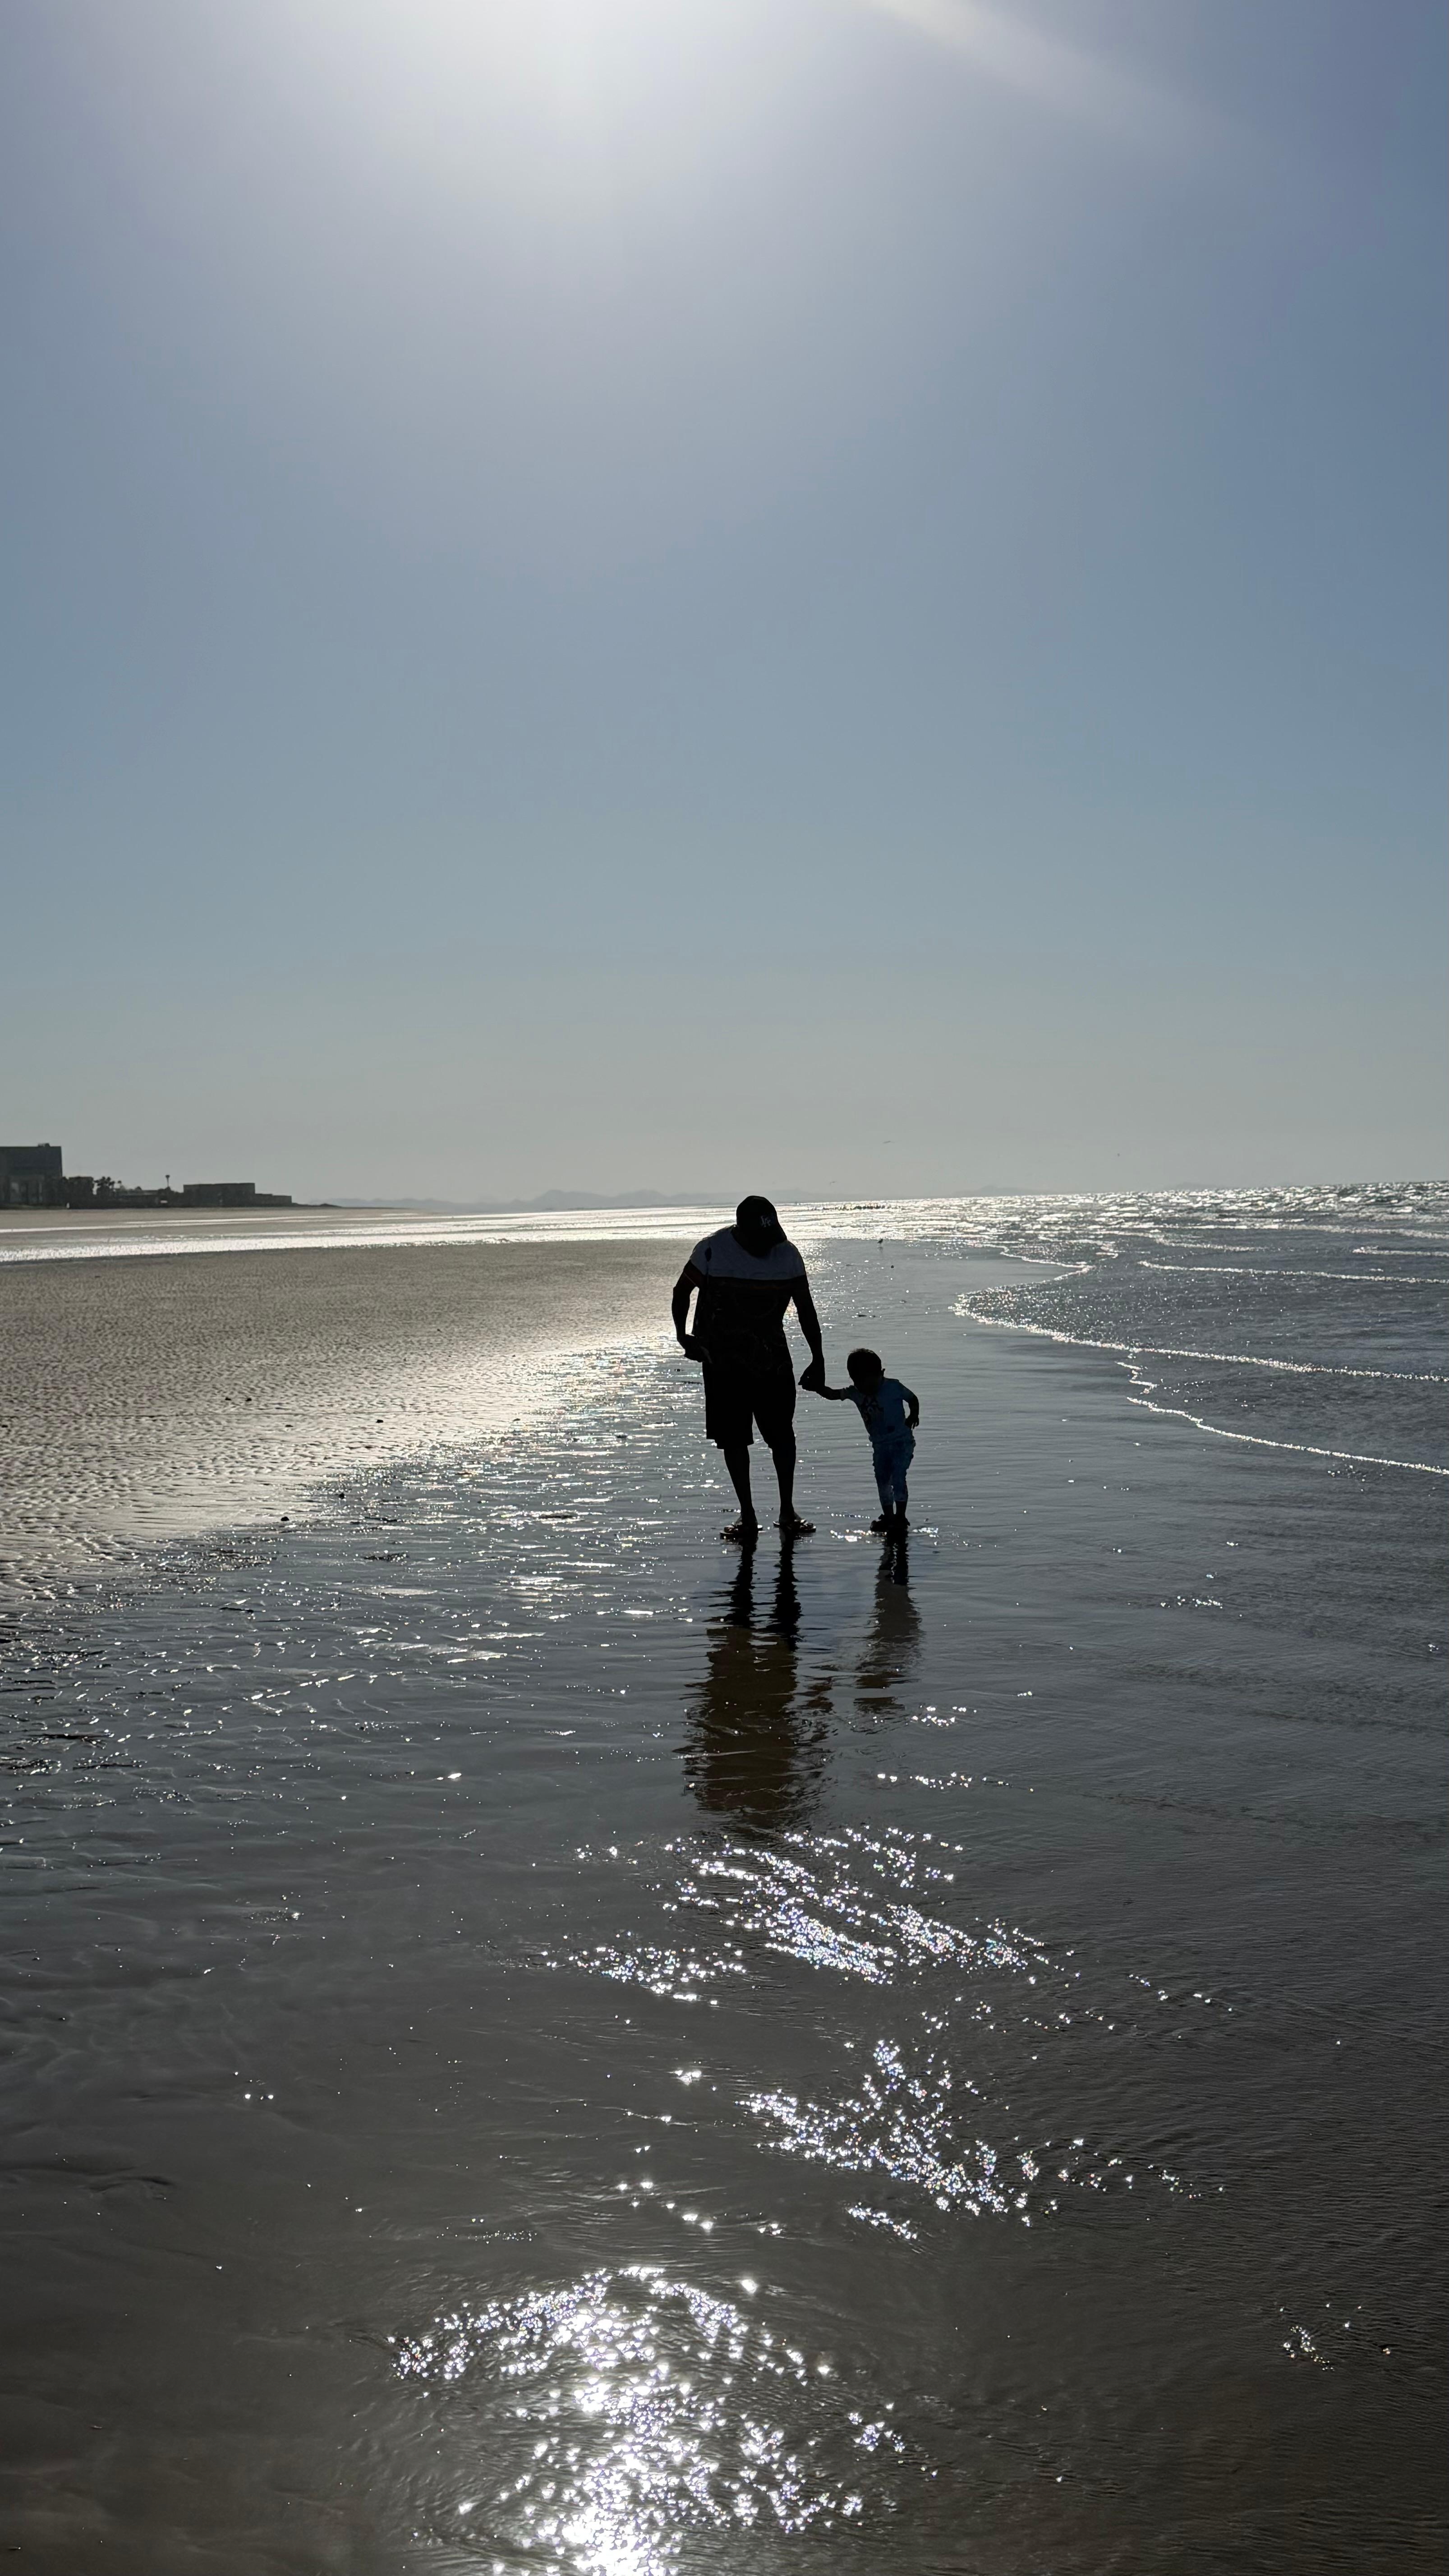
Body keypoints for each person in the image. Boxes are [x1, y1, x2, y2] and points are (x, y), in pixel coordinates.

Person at [672, 1196, 825, 1543]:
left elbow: (806, 1310)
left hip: (772, 1362)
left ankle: (787, 1510)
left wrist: (818, 1358)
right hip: (722, 1364)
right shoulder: (711, 1250)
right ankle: (748, 1514)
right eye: (759, 1239)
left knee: (782, 1435)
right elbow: (681, 1291)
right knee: (734, 1440)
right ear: (740, 1231)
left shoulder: (786, 1253)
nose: (765, 1247)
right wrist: (683, 1337)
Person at [812, 1345, 920, 1533]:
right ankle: (888, 1516)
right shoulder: (855, 1392)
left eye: (872, 1382)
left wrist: (913, 1416)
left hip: (901, 1442)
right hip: (879, 1445)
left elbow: (913, 1399)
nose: (868, 1388)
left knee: (898, 1476)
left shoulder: (893, 1387)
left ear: (882, 1373)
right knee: (882, 1479)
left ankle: (901, 1517)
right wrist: (817, 1388)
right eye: (862, 1383)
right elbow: (833, 1395)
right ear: (854, 1380)